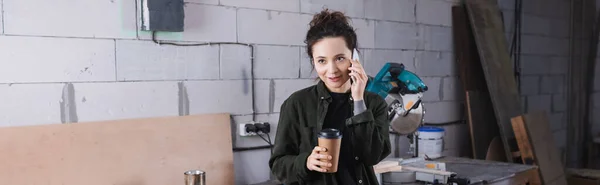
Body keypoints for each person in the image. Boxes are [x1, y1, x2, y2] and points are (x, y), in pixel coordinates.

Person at [268, 9, 391, 185]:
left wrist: (358, 101)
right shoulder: (297, 104)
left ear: (354, 57)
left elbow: (373, 156)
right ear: (313, 61)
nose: (332, 70)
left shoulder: (373, 103)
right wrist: (306, 162)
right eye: (322, 61)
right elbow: (278, 165)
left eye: (340, 58)